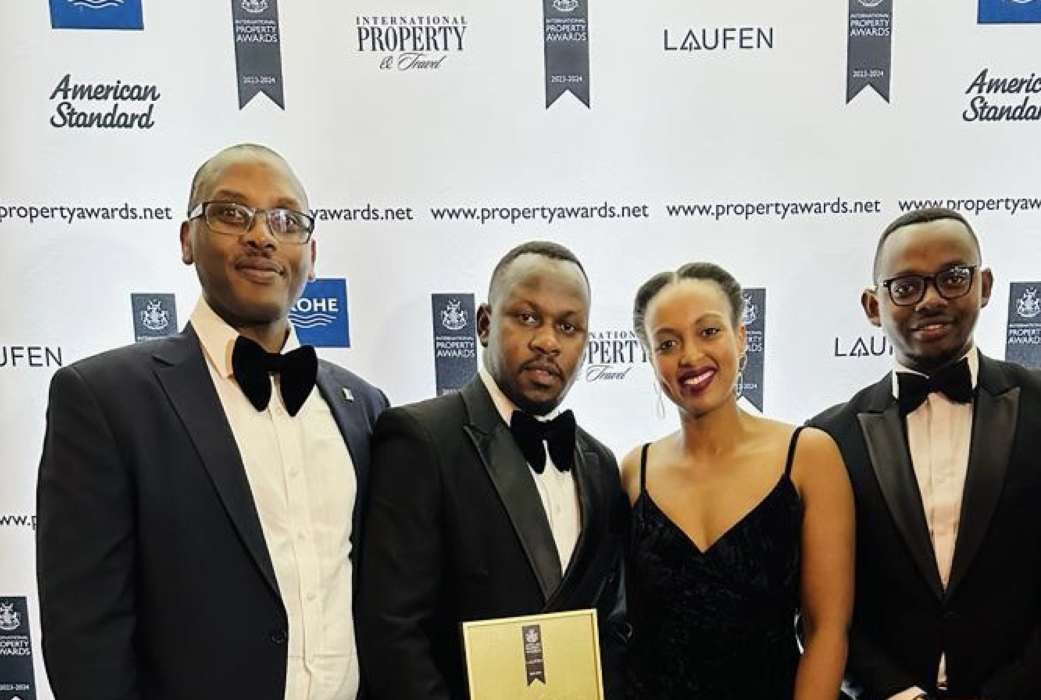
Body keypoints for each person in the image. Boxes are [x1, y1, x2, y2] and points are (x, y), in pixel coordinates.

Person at [36, 143, 389, 700]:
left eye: (286, 220)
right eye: (231, 213)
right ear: (185, 240)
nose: (261, 235)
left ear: (312, 255)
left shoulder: (363, 406)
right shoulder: (105, 400)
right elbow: (84, 634)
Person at [810, 207, 1041, 700]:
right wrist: (895, 692)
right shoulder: (829, 439)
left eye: (953, 278)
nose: (932, 299)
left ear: (984, 285)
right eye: (907, 285)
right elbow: (821, 606)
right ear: (873, 306)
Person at [358, 241, 628, 700]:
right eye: (527, 317)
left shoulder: (599, 463)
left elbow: (613, 625)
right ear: (484, 324)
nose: (547, 341)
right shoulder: (420, 437)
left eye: (568, 326)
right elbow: (392, 633)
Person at [622, 262, 855, 700]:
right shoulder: (635, 471)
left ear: (742, 337)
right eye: (667, 343)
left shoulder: (808, 455)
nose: (690, 356)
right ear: (651, 359)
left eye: (708, 331)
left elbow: (827, 629)